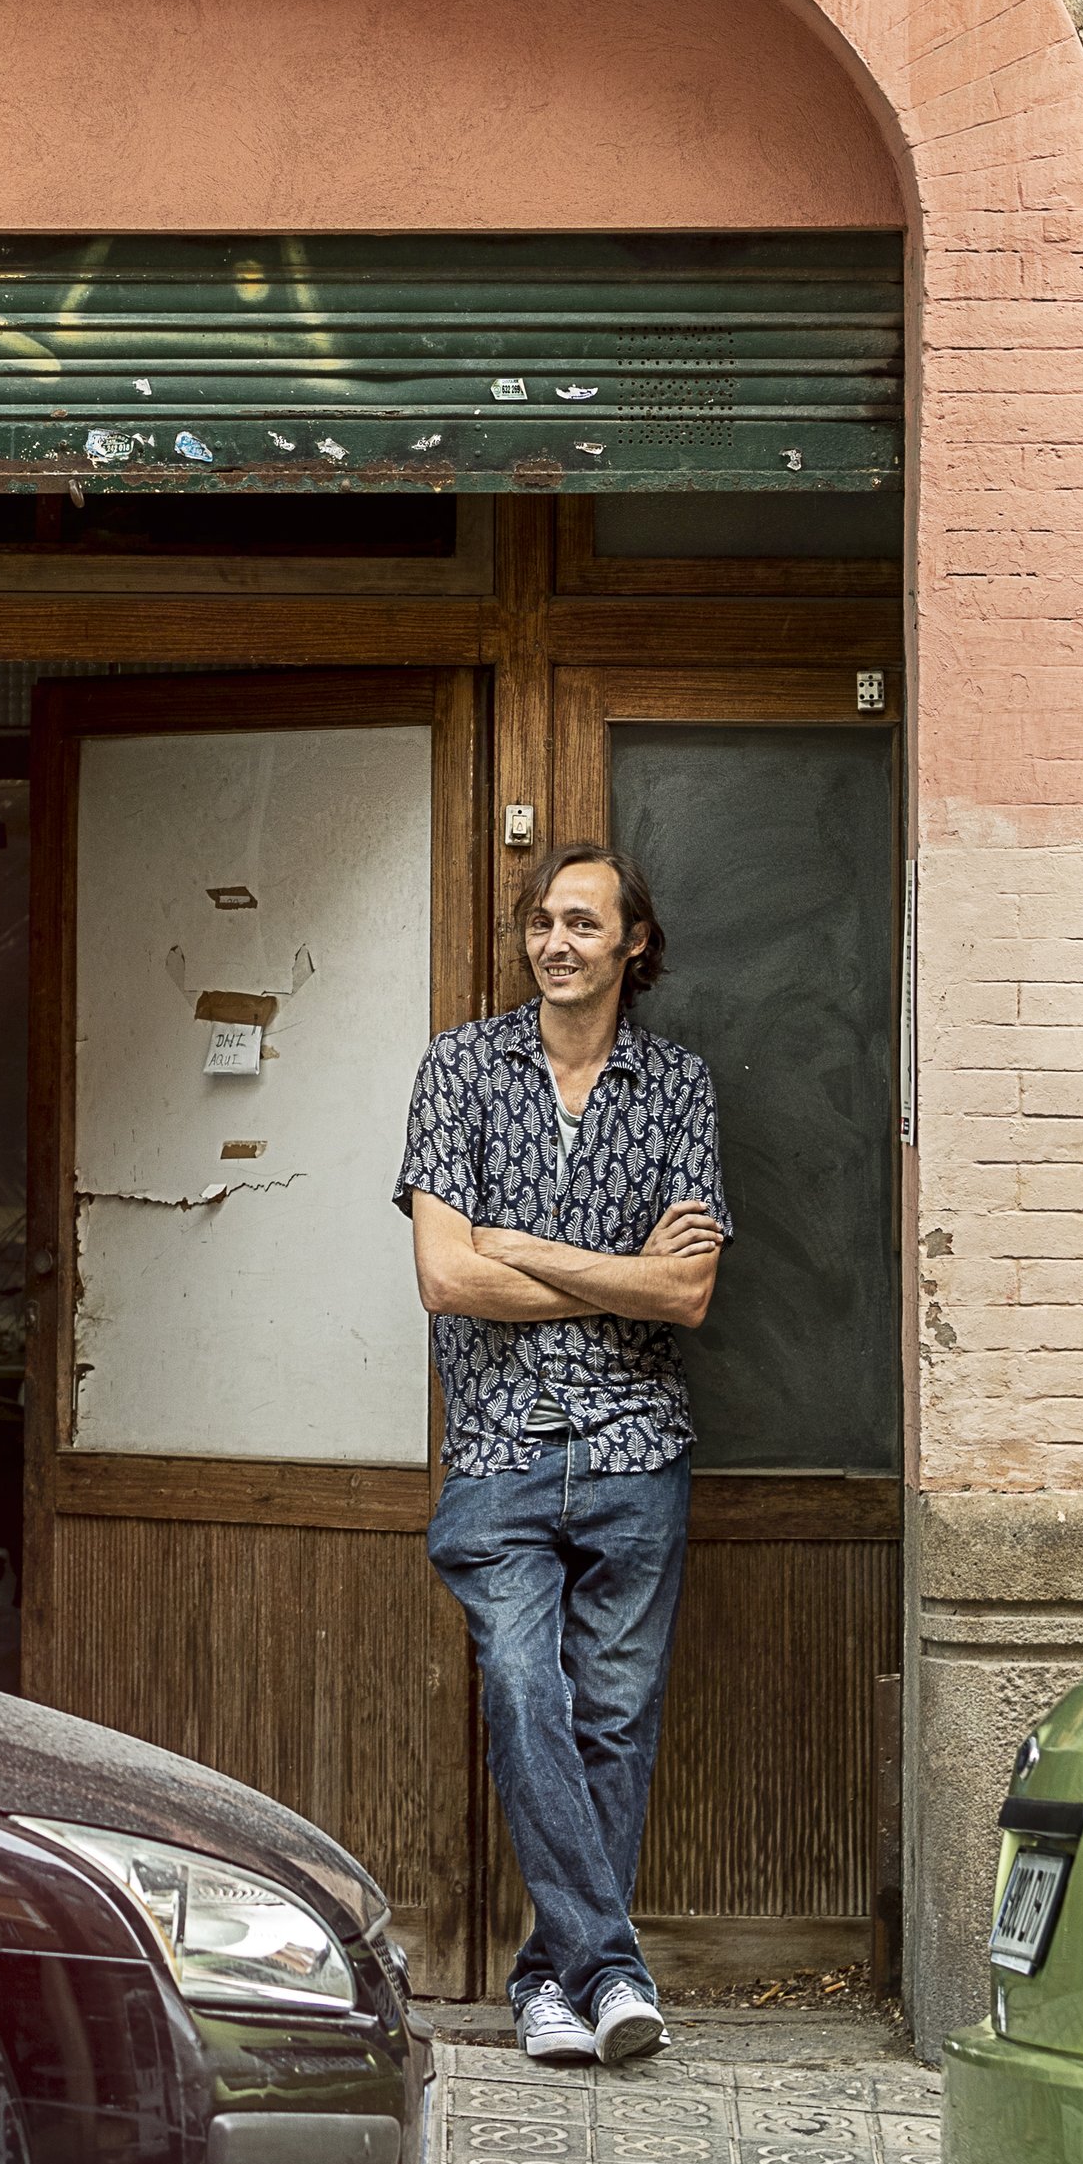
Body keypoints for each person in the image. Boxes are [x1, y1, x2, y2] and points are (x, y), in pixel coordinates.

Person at [394, 840, 728, 2070]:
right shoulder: (460, 1069)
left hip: (637, 1448)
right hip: (499, 1447)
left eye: (583, 923)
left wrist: (522, 1247)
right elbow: (445, 1276)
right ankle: (610, 1971)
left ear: (634, 944)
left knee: (616, 1721)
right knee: (527, 1691)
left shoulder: (676, 1085)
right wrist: (618, 1273)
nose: (555, 943)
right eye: (542, 922)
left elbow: (686, 1294)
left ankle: (550, 1984)